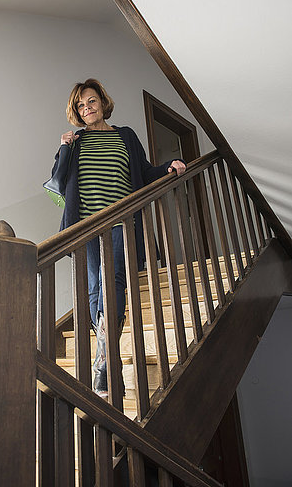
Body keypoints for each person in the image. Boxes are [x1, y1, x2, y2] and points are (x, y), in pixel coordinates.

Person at [51, 78, 186, 397]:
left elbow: (144, 171)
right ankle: (107, 361)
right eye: (81, 106)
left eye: (91, 101)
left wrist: (169, 166)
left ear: (103, 102)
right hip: (86, 224)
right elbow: (58, 181)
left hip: (121, 221)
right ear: (77, 112)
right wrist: (64, 147)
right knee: (96, 289)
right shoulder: (76, 141)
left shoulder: (126, 136)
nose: (87, 108)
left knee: (113, 281)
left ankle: (106, 363)